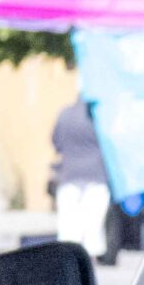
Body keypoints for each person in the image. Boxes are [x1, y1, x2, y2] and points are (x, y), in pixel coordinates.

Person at [49, 98, 115, 263]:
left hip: (69, 172)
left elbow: (55, 141)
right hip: (96, 173)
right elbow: (111, 144)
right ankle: (89, 260)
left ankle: (68, 259)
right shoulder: (100, 118)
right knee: (93, 219)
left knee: (68, 220)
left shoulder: (64, 114)